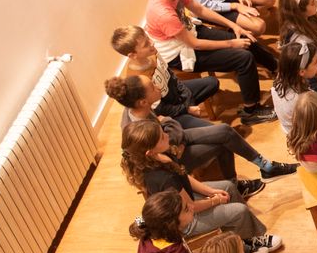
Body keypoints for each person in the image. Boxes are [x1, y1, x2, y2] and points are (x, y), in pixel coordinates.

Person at [120, 119, 281, 253]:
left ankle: (244, 234)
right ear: (149, 152)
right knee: (240, 211)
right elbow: (190, 206)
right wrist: (215, 201)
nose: (167, 135)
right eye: (162, 137)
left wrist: (211, 192)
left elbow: (183, 175)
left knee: (229, 186)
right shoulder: (163, 178)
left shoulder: (159, 155)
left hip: (184, 201)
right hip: (185, 220)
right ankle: (246, 247)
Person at [142, 0, 274, 124]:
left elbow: (200, 10)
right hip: (179, 53)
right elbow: (194, 44)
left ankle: (278, 68)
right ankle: (251, 111)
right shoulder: (163, 14)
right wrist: (231, 44)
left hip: (188, 33)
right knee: (243, 57)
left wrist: (234, 26)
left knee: (243, 37)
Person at [106, 73, 295, 181]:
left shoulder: (138, 108)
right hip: (170, 161)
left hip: (174, 141)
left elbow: (173, 132)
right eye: (153, 87)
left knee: (225, 131)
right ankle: (235, 184)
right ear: (142, 101)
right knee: (223, 143)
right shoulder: (136, 128)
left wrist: (170, 127)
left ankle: (266, 167)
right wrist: (169, 126)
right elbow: (165, 146)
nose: (158, 86)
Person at [110, 25, 217, 120]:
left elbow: (171, 76)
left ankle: (189, 109)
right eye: (146, 44)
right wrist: (186, 109)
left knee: (212, 82)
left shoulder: (153, 53)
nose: (152, 43)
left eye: (148, 38)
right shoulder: (139, 81)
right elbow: (160, 108)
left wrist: (186, 96)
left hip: (174, 92)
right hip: (168, 109)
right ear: (133, 55)